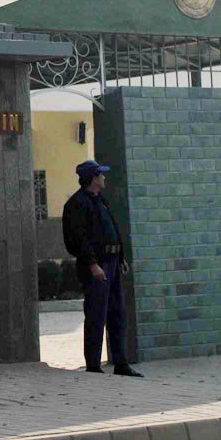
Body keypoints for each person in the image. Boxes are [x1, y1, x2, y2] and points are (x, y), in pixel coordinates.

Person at [61, 159, 144, 377]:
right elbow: (77, 239)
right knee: (97, 314)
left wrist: (121, 258)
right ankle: (93, 365)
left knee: (118, 313)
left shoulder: (101, 201)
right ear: (93, 178)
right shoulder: (77, 205)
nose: (104, 177)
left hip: (112, 263)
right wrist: (92, 264)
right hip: (97, 266)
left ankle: (121, 363)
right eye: (101, 174)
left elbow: (112, 230)